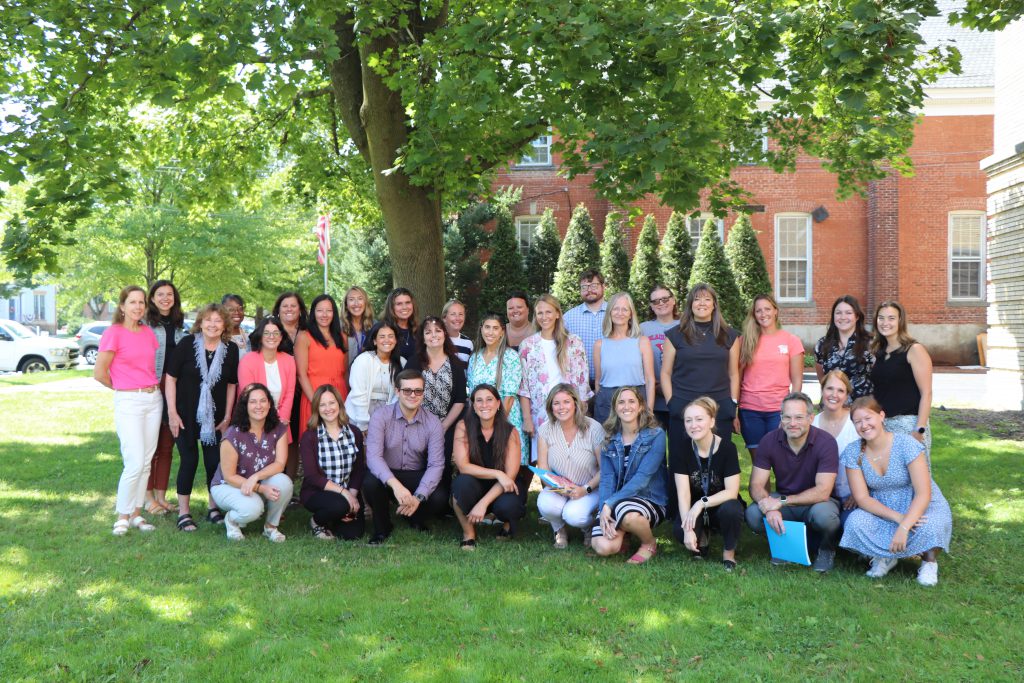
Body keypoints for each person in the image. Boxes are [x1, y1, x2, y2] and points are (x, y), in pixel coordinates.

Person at [839, 397, 952, 586]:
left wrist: (905, 525)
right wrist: (898, 519)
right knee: (855, 523)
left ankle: (929, 562)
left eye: (868, 418)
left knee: (934, 524)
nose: (864, 425)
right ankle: (885, 557)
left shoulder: (906, 443)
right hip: (883, 509)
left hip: (919, 504)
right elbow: (862, 498)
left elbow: (923, 493)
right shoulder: (853, 452)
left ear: (881, 416)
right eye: (858, 422)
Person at [745, 392, 841, 572]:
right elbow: (756, 485)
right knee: (753, 514)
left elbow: (823, 491)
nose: (793, 423)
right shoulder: (769, 440)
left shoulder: (826, 442)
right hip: (785, 502)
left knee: (825, 517)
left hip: (818, 502)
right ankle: (784, 545)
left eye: (799, 417)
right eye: (787, 417)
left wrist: (779, 502)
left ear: (811, 418)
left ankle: (826, 549)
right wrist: (767, 504)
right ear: (780, 418)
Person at [165, 303, 239, 532]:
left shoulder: (231, 349)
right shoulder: (187, 344)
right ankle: (184, 512)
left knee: (214, 463)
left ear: (224, 325)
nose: (213, 325)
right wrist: (172, 413)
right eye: (208, 320)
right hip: (185, 414)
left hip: (215, 418)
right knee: (189, 461)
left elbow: (231, 385)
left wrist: (228, 416)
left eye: (218, 321)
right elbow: (170, 378)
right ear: (201, 322)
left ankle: (213, 507)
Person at [94, 285, 162, 536]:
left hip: (153, 399)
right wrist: (123, 388)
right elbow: (99, 373)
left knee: (145, 462)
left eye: (141, 302)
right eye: (132, 302)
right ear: (122, 306)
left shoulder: (147, 333)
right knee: (133, 462)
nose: (137, 306)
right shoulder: (114, 333)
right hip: (129, 402)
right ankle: (122, 516)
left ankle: (136, 514)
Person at [362, 369, 449, 544]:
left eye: (418, 391)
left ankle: (414, 516)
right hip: (387, 474)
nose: (413, 395)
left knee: (439, 497)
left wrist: (419, 496)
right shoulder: (381, 417)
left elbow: (436, 465)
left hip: (415, 474)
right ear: (397, 391)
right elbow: (373, 457)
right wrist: (395, 486)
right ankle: (382, 527)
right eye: (407, 390)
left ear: (423, 393)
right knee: (370, 482)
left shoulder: (433, 423)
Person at [591, 387, 669, 564]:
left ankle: (649, 543)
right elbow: (607, 480)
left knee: (629, 516)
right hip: (617, 501)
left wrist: (610, 503)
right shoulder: (609, 440)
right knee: (604, 547)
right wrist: (604, 507)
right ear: (615, 408)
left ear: (641, 406)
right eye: (621, 402)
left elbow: (643, 478)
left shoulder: (655, 435)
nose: (627, 406)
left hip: (648, 498)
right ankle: (623, 533)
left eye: (632, 401)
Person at [209, 383, 292, 541]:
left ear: (269, 404)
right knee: (253, 509)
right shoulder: (233, 434)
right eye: (253, 402)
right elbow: (229, 476)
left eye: (263, 401)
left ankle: (270, 527)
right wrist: (260, 487)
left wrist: (256, 477)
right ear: (245, 406)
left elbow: (280, 463)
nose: (258, 406)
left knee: (284, 483)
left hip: (255, 481)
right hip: (227, 486)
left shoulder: (278, 428)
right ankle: (231, 520)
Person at [519, 294, 592, 470]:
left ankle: (574, 494)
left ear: (558, 314)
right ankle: (549, 495)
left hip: (569, 411)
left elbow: (583, 382)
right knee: (545, 462)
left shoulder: (574, 342)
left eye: (548, 312)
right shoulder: (528, 345)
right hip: (540, 413)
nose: (544, 317)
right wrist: (527, 418)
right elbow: (524, 387)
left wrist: (581, 412)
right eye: (540, 313)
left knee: (572, 458)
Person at [670, 397, 744, 570]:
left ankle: (729, 553)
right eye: (688, 420)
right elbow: (683, 493)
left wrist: (700, 504)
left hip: (720, 505)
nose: (693, 425)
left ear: (711, 421)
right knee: (681, 531)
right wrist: (688, 528)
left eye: (699, 419)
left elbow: (732, 492)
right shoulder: (681, 448)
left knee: (732, 509)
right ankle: (701, 536)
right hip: (694, 506)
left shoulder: (727, 448)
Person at [661, 283, 740, 445]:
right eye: (697, 299)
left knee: (718, 462)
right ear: (691, 304)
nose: (702, 303)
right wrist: (671, 402)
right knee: (682, 462)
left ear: (714, 305)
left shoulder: (730, 336)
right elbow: (665, 373)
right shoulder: (675, 335)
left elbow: (734, 373)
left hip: (719, 407)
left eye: (707, 299)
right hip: (683, 407)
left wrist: (733, 403)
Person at [451, 384, 525, 548]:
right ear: (473, 405)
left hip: (504, 486)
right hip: (475, 482)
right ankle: (468, 533)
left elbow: (510, 476)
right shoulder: (463, 427)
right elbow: (463, 466)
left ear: (498, 404)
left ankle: (507, 523)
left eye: (489, 400)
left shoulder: (510, 432)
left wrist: (483, 504)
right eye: (479, 401)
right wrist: (498, 473)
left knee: (509, 506)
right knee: (461, 486)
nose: (484, 405)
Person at [736, 294, 804, 461]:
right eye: (758, 310)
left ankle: (784, 488)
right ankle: (761, 488)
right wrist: (734, 411)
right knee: (759, 463)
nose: (763, 314)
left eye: (767, 309)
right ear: (754, 314)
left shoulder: (791, 341)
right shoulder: (744, 341)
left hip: (778, 411)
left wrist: (790, 412)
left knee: (783, 461)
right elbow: (736, 378)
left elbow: (797, 382)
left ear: (775, 311)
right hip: (750, 411)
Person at [535, 384, 603, 549]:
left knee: (574, 515)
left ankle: (588, 528)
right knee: (545, 503)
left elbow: (605, 469)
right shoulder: (545, 430)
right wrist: (559, 488)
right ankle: (559, 530)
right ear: (551, 407)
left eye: (566, 402)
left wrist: (584, 489)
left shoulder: (593, 428)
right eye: (556, 403)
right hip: (560, 487)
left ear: (575, 403)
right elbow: (543, 470)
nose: (561, 407)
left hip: (590, 488)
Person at [300, 384, 367, 540]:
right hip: (317, 493)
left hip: (348, 492)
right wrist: (345, 495)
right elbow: (312, 477)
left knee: (352, 535)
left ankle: (333, 518)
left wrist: (353, 494)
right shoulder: (310, 437)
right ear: (317, 408)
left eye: (331, 403)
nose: (328, 408)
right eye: (322, 405)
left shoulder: (354, 433)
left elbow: (358, 470)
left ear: (339, 404)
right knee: (340, 505)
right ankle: (316, 521)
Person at [870, 300, 934, 459]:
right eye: (881, 318)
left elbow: (926, 393)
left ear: (900, 321)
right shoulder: (878, 352)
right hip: (883, 426)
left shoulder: (914, 350)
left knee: (916, 480)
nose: (885, 323)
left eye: (891, 318)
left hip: (909, 425)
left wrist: (920, 429)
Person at [143, 279, 185, 516]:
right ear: (152, 298)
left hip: (175, 388)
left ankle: (161, 496)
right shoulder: (146, 325)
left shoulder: (179, 326)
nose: (165, 298)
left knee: (168, 445)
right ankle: (148, 497)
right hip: (152, 385)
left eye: (170, 294)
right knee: (151, 445)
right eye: (160, 294)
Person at [592, 292, 655, 424]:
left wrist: (649, 410)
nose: (620, 312)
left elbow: (650, 379)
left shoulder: (642, 342)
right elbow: (598, 382)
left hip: (636, 399)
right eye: (616, 308)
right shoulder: (599, 345)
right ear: (609, 312)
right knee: (607, 443)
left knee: (637, 442)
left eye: (624, 309)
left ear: (631, 314)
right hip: (607, 403)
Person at [416, 316, 467, 475]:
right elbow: (407, 396)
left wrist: (443, 427)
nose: (434, 335)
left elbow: (460, 400)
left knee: (442, 470)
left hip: (447, 425)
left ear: (445, 335)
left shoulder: (456, 364)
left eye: (438, 331)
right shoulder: (414, 362)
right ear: (423, 338)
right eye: (428, 332)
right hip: (417, 425)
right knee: (418, 467)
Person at [812, 370, 860, 525]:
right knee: (823, 523)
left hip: (852, 495)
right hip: (821, 496)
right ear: (822, 390)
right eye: (830, 388)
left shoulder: (856, 422)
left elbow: (870, 459)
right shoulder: (811, 424)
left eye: (840, 391)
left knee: (848, 526)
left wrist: (859, 494)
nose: (834, 395)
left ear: (846, 396)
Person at [238, 316, 296, 443]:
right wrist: (267, 424)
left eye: (276, 333)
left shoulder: (289, 360)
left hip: (280, 422)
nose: (272, 336)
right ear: (260, 336)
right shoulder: (247, 361)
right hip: (253, 422)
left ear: (281, 337)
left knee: (280, 461)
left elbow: (290, 393)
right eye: (267, 333)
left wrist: (282, 420)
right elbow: (249, 397)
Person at [296, 293, 348, 434]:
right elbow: (301, 374)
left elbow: (345, 371)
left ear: (334, 313)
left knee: (339, 438)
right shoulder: (304, 336)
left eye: (329, 310)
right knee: (314, 442)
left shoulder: (342, 336)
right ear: (313, 313)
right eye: (319, 310)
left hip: (339, 394)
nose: (324, 314)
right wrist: (317, 402)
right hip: (314, 394)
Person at [345, 322, 406, 432]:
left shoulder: (402, 363)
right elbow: (358, 393)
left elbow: (399, 396)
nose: (387, 340)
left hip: (389, 418)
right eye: (382, 336)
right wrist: (363, 424)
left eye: (391, 336)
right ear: (374, 341)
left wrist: (388, 419)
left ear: (396, 340)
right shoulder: (364, 360)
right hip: (360, 415)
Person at [272, 291, 308, 467]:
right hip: (278, 392)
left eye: (293, 305)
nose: (289, 309)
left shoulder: (308, 331)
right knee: (275, 436)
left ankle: (290, 483)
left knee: (294, 438)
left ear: (300, 309)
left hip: (302, 392)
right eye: (285, 306)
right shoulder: (271, 330)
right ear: (278, 309)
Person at [814, 295, 875, 399]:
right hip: (832, 407)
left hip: (862, 408)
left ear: (857, 316)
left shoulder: (870, 343)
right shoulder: (822, 344)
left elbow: (879, 376)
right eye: (838, 313)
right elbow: (823, 379)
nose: (843, 317)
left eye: (848, 313)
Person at [639, 284, 680, 430]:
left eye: (665, 299)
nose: (661, 303)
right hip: (653, 400)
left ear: (673, 300)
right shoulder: (643, 328)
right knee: (656, 448)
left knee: (681, 448)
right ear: (651, 306)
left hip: (680, 397)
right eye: (656, 301)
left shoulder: (686, 325)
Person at [562, 270, 607, 382]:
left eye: (593, 286)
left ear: (603, 287)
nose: (589, 290)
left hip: (609, 382)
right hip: (578, 384)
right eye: (584, 287)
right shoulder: (568, 318)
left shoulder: (615, 314)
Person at [369, 287, 419, 363]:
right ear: (391, 307)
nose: (404, 307)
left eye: (408, 302)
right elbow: (367, 356)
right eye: (399, 304)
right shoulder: (381, 329)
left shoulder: (418, 330)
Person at [343, 286, 375, 370]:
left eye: (360, 298)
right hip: (343, 375)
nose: (356, 303)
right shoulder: (338, 326)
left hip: (367, 374)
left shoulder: (375, 325)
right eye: (351, 299)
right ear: (346, 304)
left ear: (365, 302)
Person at [442, 299, 474, 363]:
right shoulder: (437, 341)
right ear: (444, 318)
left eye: (461, 314)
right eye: (453, 314)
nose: (457, 318)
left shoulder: (468, 343)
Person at [221, 294, 250, 358]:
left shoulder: (250, 337)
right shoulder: (218, 338)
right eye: (231, 309)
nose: (237, 312)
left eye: (240, 309)